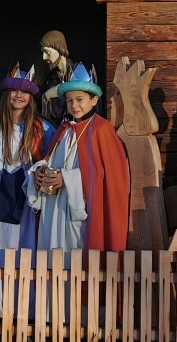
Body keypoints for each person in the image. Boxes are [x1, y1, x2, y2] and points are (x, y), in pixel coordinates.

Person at [27, 63, 130, 255]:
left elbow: (109, 176)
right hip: (54, 207)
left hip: (80, 210)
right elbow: (49, 160)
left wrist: (66, 178)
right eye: (69, 101)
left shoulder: (102, 129)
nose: (74, 106)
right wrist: (39, 171)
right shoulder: (63, 130)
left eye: (80, 99)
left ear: (94, 100)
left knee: (74, 257)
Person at [0, 63, 55, 318]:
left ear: (32, 97)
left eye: (25, 92)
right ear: (6, 94)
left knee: (26, 247)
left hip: (27, 199)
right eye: (14, 91)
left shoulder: (43, 130)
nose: (19, 95)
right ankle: (0, 307)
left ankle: (27, 309)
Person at [39, 30, 75, 125]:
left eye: (47, 52)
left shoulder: (78, 72)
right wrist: (46, 96)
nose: (44, 57)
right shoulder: (50, 79)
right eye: (43, 52)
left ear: (59, 49)